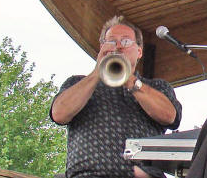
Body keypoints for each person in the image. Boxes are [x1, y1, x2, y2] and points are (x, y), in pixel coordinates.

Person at [50, 15, 182, 178]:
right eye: (111, 42)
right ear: (102, 48)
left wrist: (131, 81)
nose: (118, 46)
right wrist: (97, 72)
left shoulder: (157, 87)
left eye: (126, 42)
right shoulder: (76, 82)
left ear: (139, 51)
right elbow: (59, 114)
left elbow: (170, 117)